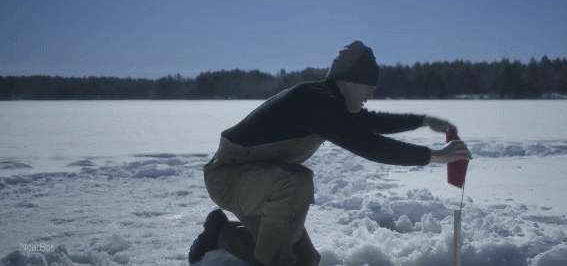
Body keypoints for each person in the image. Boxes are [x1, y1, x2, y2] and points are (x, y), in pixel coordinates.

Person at [189, 41, 472, 266]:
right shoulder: (315, 102)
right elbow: (369, 145)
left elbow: (369, 123)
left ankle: (220, 234)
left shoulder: (331, 103)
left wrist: (421, 120)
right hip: (230, 178)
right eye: (369, 86)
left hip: (259, 182)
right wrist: (435, 156)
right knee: (296, 184)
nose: (370, 94)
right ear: (351, 80)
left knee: (306, 261)